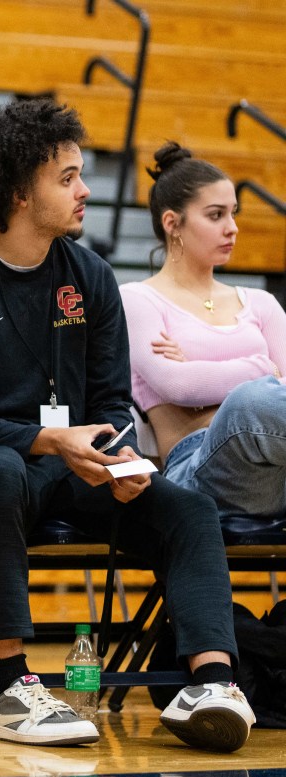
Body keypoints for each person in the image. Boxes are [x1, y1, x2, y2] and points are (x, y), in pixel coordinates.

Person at [0, 99, 256, 752]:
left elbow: (108, 403)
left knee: (186, 510)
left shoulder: (91, 275)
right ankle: (11, 686)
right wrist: (46, 440)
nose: (84, 190)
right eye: (66, 177)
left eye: (81, 174)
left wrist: (119, 461)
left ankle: (210, 682)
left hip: (71, 466)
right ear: (19, 192)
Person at [121, 142, 286, 519]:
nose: (233, 228)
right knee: (249, 403)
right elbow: (177, 385)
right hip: (195, 467)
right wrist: (263, 367)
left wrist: (206, 373)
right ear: (172, 223)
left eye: (233, 214)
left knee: (256, 400)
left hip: (279, 470)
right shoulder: (136, 300)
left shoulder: (260, 303)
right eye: (216, 215)